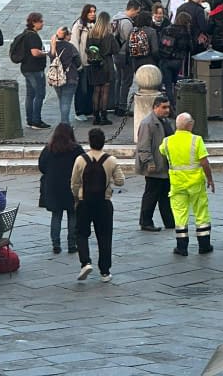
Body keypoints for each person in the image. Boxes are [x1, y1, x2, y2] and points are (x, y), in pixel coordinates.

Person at [71, 127, 125, 282]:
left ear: (89, 142)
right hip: (104, 203)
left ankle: (85, 262)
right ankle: (105, 271)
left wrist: (76, 197)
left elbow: (74, 183)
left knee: (81, 233)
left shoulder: (81, 160)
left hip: (84, 202)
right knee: (105, 236)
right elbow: (121, 181)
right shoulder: (111, 160)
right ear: (103, 142)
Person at [159, 113, 215, 256]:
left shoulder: (167, 142)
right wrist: (210, 179)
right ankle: (204, 245)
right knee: (201, 214)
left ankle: (182, 247)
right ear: (190, 125)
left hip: (177, 184)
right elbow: (204, 162)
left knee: (180, 215)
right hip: (196, 183)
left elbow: (162, 152)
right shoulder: (196, 140)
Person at [38, 123, 84, 254]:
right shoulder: (76, 150)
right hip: (71, 185)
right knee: (73, 215)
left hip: (53, 187)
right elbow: (83, 166)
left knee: (56, 215)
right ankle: (72, 244)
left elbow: (42, 167)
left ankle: (56, 244)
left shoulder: (49, 149)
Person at [135, 95, 175, 231]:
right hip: (155, 165)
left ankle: (169, 221)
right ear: (155, 107)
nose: (167, 110)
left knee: (165, 194)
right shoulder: (148, 123)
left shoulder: (164, 121)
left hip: (164, 165)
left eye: (168, 107)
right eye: (164, 107)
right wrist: (149, 162)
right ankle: (145, 221)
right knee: (151, 195)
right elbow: (143, 145)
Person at [85, 11, 119, 125]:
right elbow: (116, 50)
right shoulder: (108, 36)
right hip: (106, 65)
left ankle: (96, 117)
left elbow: (87, 50)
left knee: (96, 91)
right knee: (105, 91)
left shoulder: (91, 34)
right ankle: (104, 116)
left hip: (94, 66)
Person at [18, 12, 49, 129]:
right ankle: (36, 120)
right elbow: (35, 52)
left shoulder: (26, 34)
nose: (42, 23)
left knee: (30, 95)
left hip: (26, 68)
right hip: (35, 69)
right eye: (40, 21)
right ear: (34, 23)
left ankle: (30, 120)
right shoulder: (33, 36)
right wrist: (45, 53)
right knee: (39, 94)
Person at [111, 0, 142, 116]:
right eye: (137, 12)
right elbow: (129, 40)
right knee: (126, 81)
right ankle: (122, 106)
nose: (137, 15)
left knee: (118, 79)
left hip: (116, 54)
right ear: (133, 9)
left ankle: (116, 103)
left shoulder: (115, 18)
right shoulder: (127, 22)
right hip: (125, 55)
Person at [158, 11, 193, 105]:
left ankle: (171, 105)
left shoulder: (166, 29)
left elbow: (160, 43)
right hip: (177, 61)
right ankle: (188, 83)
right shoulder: (185, 32)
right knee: (176, 80)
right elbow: (190, 47)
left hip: (165, 60)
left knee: (168, 84)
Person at [49, 26, 82, 124]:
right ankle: (65, 123)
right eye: (70, 34)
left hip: (56, 78)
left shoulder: (53, 46)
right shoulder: (70, 47)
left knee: (62, 101)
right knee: (66, 102)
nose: (71, 35)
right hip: (70, 77)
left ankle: (64, 121)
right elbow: (78, 62)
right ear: (66, 36)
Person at [70, 4, 96, 120]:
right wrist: (77, 62)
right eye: (90, 12)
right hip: (81, 61)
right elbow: (74, 44)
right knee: (80, 88)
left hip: (92, 61)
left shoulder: (94, 25)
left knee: (91, 87)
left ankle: (88, 109)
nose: (92, 14)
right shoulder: (78, 26)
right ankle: (79, 111)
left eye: (94, 12)